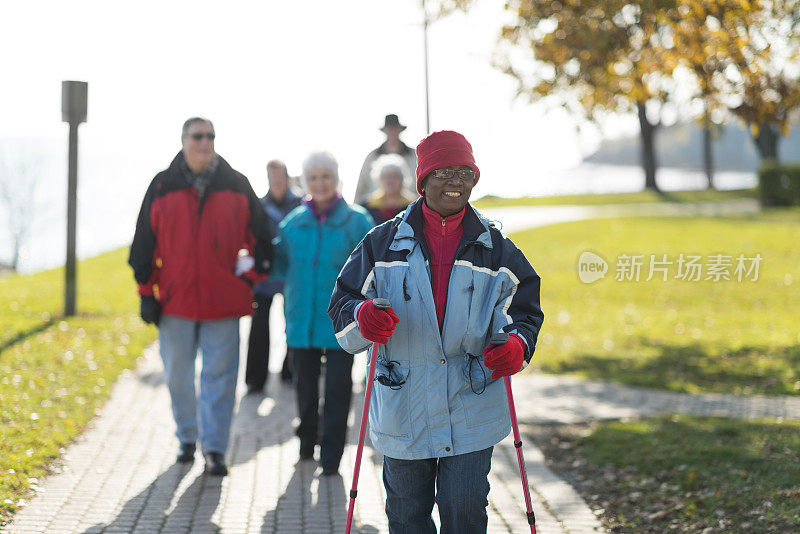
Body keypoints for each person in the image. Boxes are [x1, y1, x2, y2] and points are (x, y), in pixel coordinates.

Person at [329, 130, 544, 532]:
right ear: (423, 180)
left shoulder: (496, 247)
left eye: (465, 172)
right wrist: (363, 317)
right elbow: (342, 305)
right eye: (444, 171)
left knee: (464, 512)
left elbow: (526, 309)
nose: (456, 181)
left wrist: (517, 344)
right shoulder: (382, 243)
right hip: (403, 407)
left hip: (472, 403)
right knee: (408, 518)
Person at [128, 117, 273, 476]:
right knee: (178, 374)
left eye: (210, 136)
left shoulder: (237, 184)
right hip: (175, 303)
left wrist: (249, 278)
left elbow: (262, 239)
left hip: (223, 302)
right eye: (197, 136)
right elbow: (143, 245)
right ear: (183, 140)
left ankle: (214, 449)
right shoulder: (161, 185)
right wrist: (147, 293)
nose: (204, 142)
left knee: (220, 378)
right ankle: (186, 438)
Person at [272, 151, 374, 476]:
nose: (320, 183)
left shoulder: (357, 221)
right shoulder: (292, 223)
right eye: (313, 178)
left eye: (325, 176)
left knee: (338, 389)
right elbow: (277, 264)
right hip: (301, 321)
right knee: (304, 386)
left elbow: (372, 269)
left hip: (341, 323)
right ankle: (306, 443)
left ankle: (331, 455)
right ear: (305, 182)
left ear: (336, 179)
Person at [245, 159, 302, 393]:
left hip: (291, 273)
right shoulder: (258, 205)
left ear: (287, 178)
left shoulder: (300, 204)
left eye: (280, 178)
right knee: (258, 327)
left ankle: (291, 372)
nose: (276, 182)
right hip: (266, 275)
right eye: (272, 178)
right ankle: (255, 380)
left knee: (293, 324)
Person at [353, 114, 418, 204]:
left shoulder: (414, 156)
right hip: (376, 208)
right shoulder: (372, 156)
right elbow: (362, 185)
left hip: (408, 206)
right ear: (385, 131)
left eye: (394, 128)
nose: (392, 132)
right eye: (389, 129)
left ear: (400, 130)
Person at [360, 154, 417, 225]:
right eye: (385, 176)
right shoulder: (367, 206)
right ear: (379, 179)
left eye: (395, 176)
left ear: (402, 179)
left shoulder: (414, 206)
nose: (390, 181)